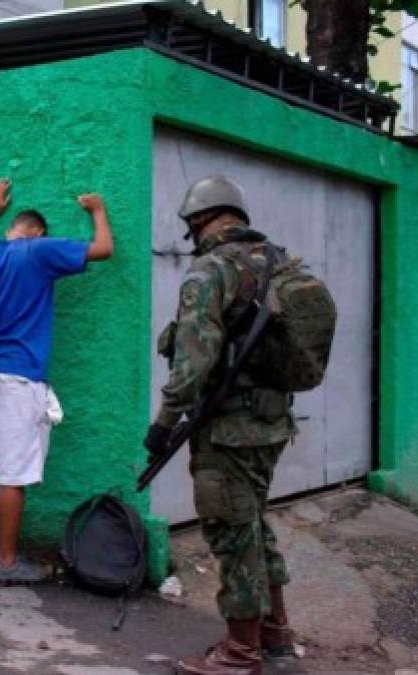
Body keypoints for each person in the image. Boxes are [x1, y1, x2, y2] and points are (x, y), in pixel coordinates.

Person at [145, 176, 296, 675]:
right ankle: (275, 635)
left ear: (197, 221)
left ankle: (240, 652)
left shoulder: (210, 271)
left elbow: (194, 360)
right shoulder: (278, 262)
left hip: (228, 429)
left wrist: (164, 423)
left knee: (231, 532)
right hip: (271, 425)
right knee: (251, 521)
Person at [0, 178, 114, 585]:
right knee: (13, 473)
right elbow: (103, 249)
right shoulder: (41, 250)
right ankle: (5, 563)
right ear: (37, 231)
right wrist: (98, 211)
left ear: (11, 227)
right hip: (20, 377)